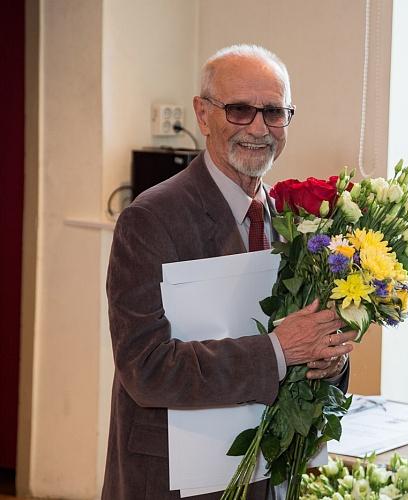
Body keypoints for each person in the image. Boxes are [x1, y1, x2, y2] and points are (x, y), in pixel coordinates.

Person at [102, 44, 356, 499]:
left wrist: (329, 360)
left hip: (266, 476)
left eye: (274, 112)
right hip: (175, 480)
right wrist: (278, 350)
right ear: (202, 115)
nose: (259, 128)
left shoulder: (294, 221)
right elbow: (145, 368)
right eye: (239, 110)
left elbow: (299, 348)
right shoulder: (151, 219)